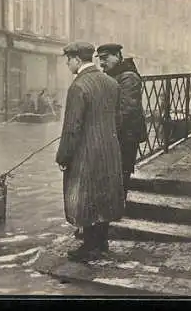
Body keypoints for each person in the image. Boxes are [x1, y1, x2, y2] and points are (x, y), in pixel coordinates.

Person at [56, 41, 125, 261]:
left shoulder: (78, 86)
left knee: (83, 197)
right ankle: (102, 242)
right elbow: (118, 118)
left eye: (68, 59)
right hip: (110, 148)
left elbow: (72, 128)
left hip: (86, 152)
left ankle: (89, 246)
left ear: (77, 59)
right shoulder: (111, 82)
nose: (67, 63)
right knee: (104, 195)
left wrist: (63, 156)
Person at [96, 43, 148, 201]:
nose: (102, 63)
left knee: (121, 172)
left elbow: (127, 109)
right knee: (113, 172)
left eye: (105, 58)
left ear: (118, 56)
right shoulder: (113, 75)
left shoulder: (128, 77)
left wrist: (108, 130)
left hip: (126, 135)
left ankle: (118, 206)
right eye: (100, 60)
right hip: (117, 133)